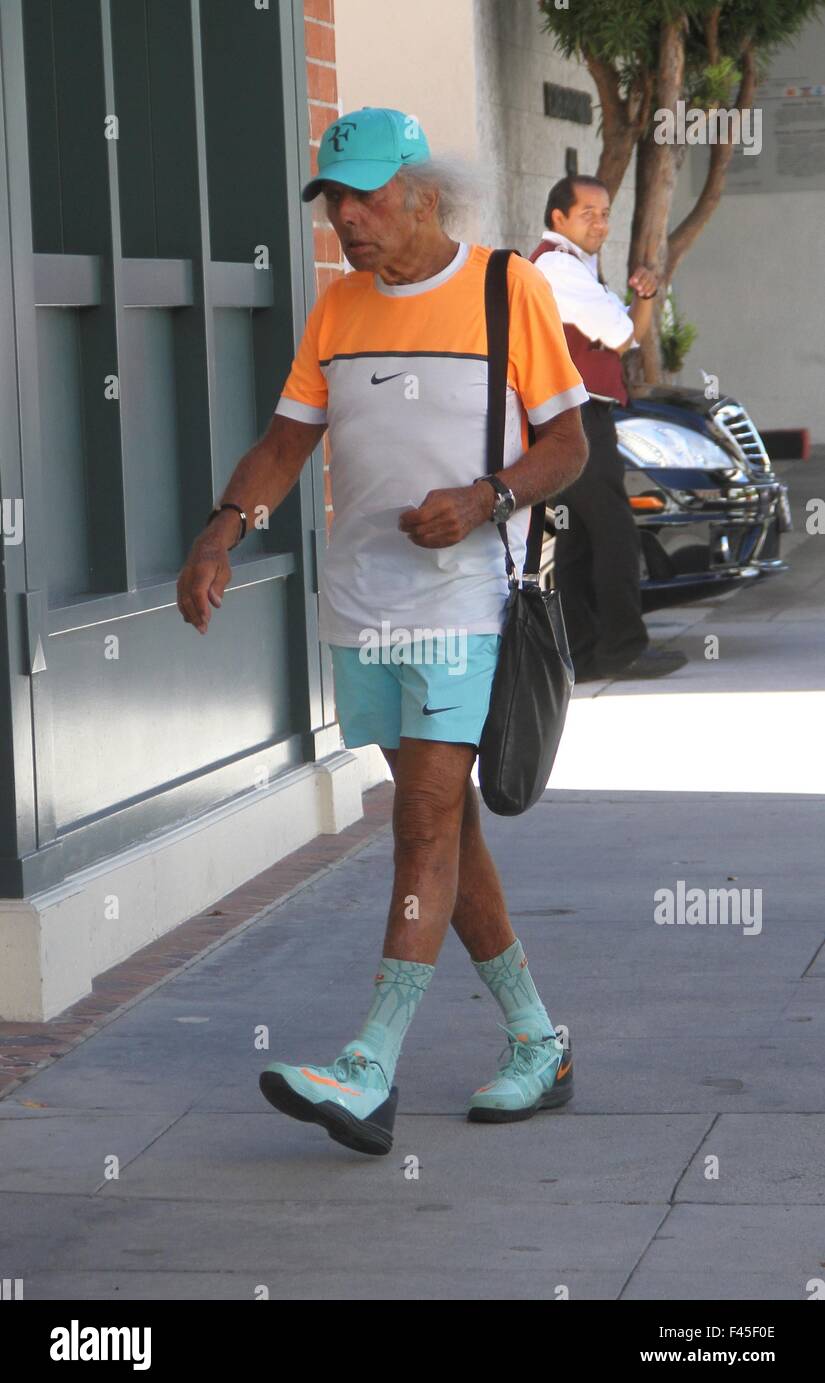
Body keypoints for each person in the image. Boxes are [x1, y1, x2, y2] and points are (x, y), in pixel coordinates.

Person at [176, 107, 589, 1156]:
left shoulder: (509, 287)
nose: (349, 222)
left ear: (425, 194)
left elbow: (570, 443)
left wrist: (489, 494)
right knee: (446, 830)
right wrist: (225, 529)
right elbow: (286, 440)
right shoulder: (337, 310)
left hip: (463, 606)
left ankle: (367, 1068)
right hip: (361, 609)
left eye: (366, 199)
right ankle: (539, 1042)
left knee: (420, 824)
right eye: (335, 203)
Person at [529, 175, 688, 681]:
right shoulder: (557, 266)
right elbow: (623, 336)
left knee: (579, 539)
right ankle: (624, 648)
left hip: (569, 414)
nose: (600, 223)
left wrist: (644, 295)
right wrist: (642, 301)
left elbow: (626, 328)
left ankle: (586, 650)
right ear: (558, 219)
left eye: (604, 213)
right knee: (616, 532)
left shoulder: (571, 266)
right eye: (587, 214)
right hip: (579, 417)